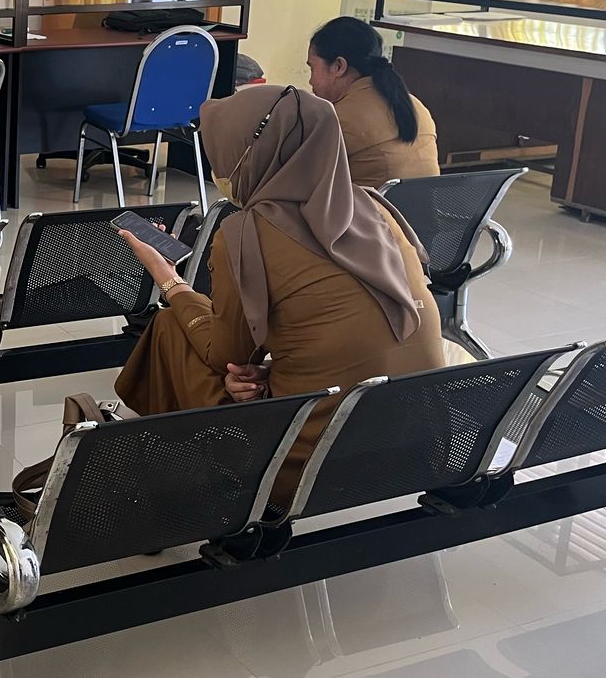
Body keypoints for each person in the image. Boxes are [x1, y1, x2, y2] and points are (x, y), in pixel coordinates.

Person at [113, 84, 444, 501]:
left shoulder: (247, 233)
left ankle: (158, 474)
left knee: (168, 327)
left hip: (305, 460)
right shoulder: (374, 207)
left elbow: (224, 355)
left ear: (252, 155)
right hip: (415, 444)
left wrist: (168, 278)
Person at [307, 17, 440, 188]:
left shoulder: (340, 119)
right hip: (421, 206)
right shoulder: (414, 105)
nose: (310, 81)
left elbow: (302, 182)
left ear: (338, 66)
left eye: (312, 68)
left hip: (372, 206)